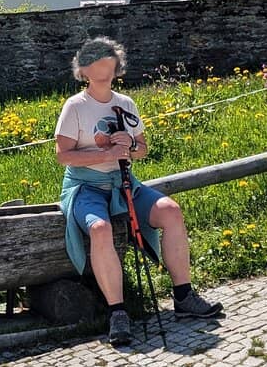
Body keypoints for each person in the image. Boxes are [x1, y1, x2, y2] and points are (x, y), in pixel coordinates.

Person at [55, 36, 224, 345]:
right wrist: (104, 155)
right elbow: (63, 155)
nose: (102, 65)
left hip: (125, 184)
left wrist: (130, 145)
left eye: (108, 58)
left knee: (171, 211)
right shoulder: (75, 107)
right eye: (94, 59)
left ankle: (184, 297)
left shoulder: (126, 104)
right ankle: (118, 313)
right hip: (85, 188)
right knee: (101, 228)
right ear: (83, 70)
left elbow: (143, 147)